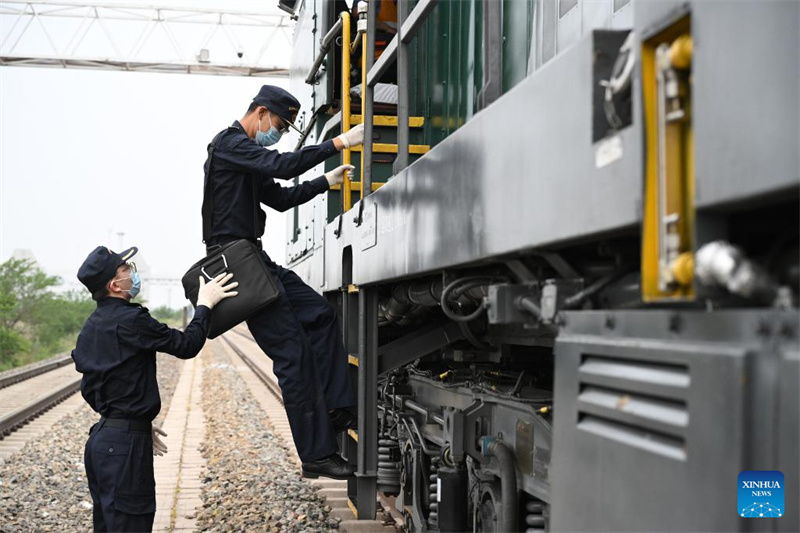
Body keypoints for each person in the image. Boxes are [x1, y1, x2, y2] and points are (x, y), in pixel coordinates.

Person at [202, 84, 364, 480]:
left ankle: (334, 406)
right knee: (293, 354)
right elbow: (281, 166)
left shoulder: (244, 156)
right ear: (260, 113)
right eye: (279, 124)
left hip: (254, 257)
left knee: (320, 314)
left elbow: (278, 197)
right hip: (236, 262)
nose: (280, 132)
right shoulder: (229, 145)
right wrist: (338, 143)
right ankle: (316, 454)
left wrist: (326, 183)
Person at [72, 245, 238, 532]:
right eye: (127, 271)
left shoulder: (91, 326)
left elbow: (91, 388)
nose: (133, 274)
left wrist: (126, 419)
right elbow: (187, 345)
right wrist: (205, 305)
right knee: (131, 524)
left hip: (101, 442)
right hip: (124, 447)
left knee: (109, 525)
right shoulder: (132, 320)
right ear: (115, 285)